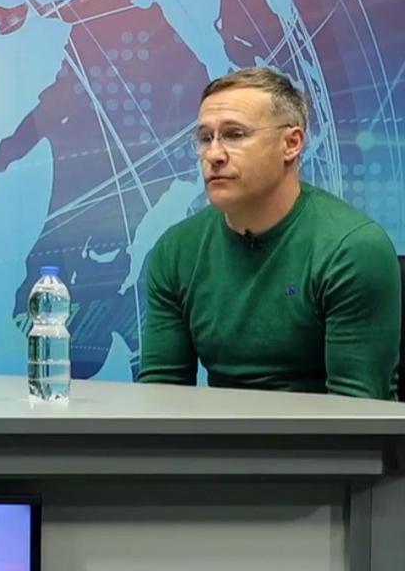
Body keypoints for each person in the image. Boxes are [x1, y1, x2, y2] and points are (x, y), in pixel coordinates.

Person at [138, 66, 400, 399]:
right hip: (222, 432)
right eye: (205, 138)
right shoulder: (176, 250)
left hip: (327, 432)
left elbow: (356, 412)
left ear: (291, 143)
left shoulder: (352, 248)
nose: (213, 155)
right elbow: (161, 395)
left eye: (235, 134)